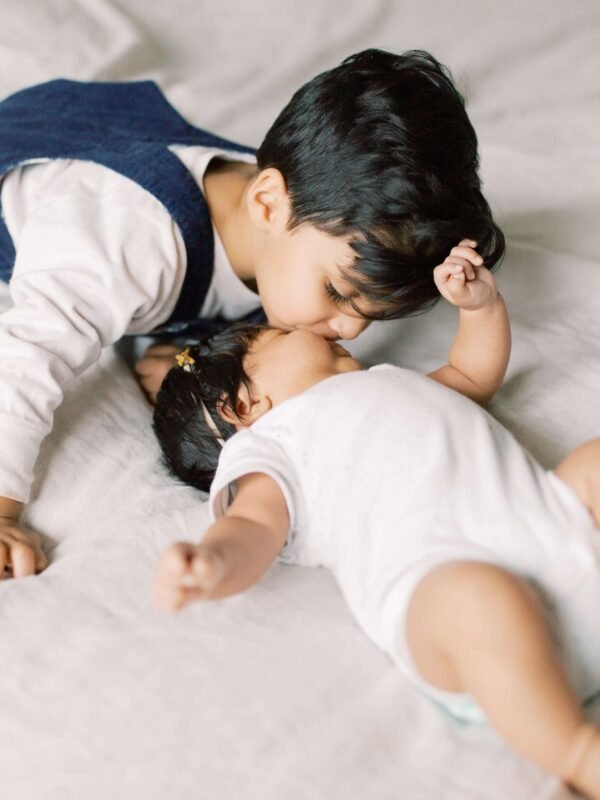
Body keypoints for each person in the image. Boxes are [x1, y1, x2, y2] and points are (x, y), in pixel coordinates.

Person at [0, 49, 505, 578]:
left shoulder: (292, 223)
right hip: (42, 142)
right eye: (337, 293)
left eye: (373, 315)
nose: (351, 331)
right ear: (265, 204)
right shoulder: (125, 245)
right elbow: (27, 356)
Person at [152, 246, 600, 797]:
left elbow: (471, 374)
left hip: (556, 530)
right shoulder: (271, 446)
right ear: (242, 406)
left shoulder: (388, 382)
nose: (313, 329)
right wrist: (214, 559)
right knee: (477, 598)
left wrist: (480, 308)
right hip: (456, 604)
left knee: (592, 465)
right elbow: (254, 525)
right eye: (281, 334)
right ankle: (577, 754)